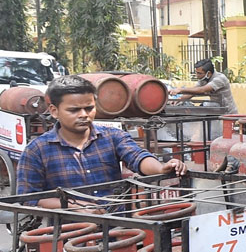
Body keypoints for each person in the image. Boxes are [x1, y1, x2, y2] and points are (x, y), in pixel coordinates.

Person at [17, 74, 186, 210]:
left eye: (89, 108)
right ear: (54, 111)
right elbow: (29, 198)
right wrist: (76, 207)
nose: (84, 114)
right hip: (70, 234)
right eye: (74, 110)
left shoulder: (113, 137)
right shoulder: (36, 150)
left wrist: (161, 167)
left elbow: (137, 157)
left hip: (118, 226)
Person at [169, 58, 238, 113]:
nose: (197, 75)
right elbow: (194, 91)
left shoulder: (220, 79)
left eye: (199, 73)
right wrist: (179, 99)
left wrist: (180, 90)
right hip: (216, 111)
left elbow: (202, 90)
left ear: (209, 73)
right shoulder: (203, 79)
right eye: (196, 73)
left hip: (228, 113)